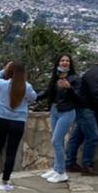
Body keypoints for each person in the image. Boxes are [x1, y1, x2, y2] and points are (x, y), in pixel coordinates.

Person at [0, 61, 38, 191]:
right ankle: (5, 182)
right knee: (11, 152)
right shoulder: (27, 87)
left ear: (9, 72)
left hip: (1, 120)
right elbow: (33, 98)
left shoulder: (2, 84)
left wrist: (3, 71)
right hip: (18, 122)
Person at [66, 51, 98, 175]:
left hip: (85, 107)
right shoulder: (96, 74)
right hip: (87, 108)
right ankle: (87, 165)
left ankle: (70, 163)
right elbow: (97, 95)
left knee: (77, 137)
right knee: (92, 137)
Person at [37, 54, 79, 184]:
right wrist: (33, 97)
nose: (65, 62)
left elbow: (79, 97)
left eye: (67, 61)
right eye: (62, 60)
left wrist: (69, 88)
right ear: (58, 63)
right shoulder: (55, 77)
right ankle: (56, 168)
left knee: (56, 141)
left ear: (70, 64)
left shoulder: (75, 79)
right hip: (55, 109)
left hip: (67, 111)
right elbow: (48, 92)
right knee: (57, 141)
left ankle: (61, 172)